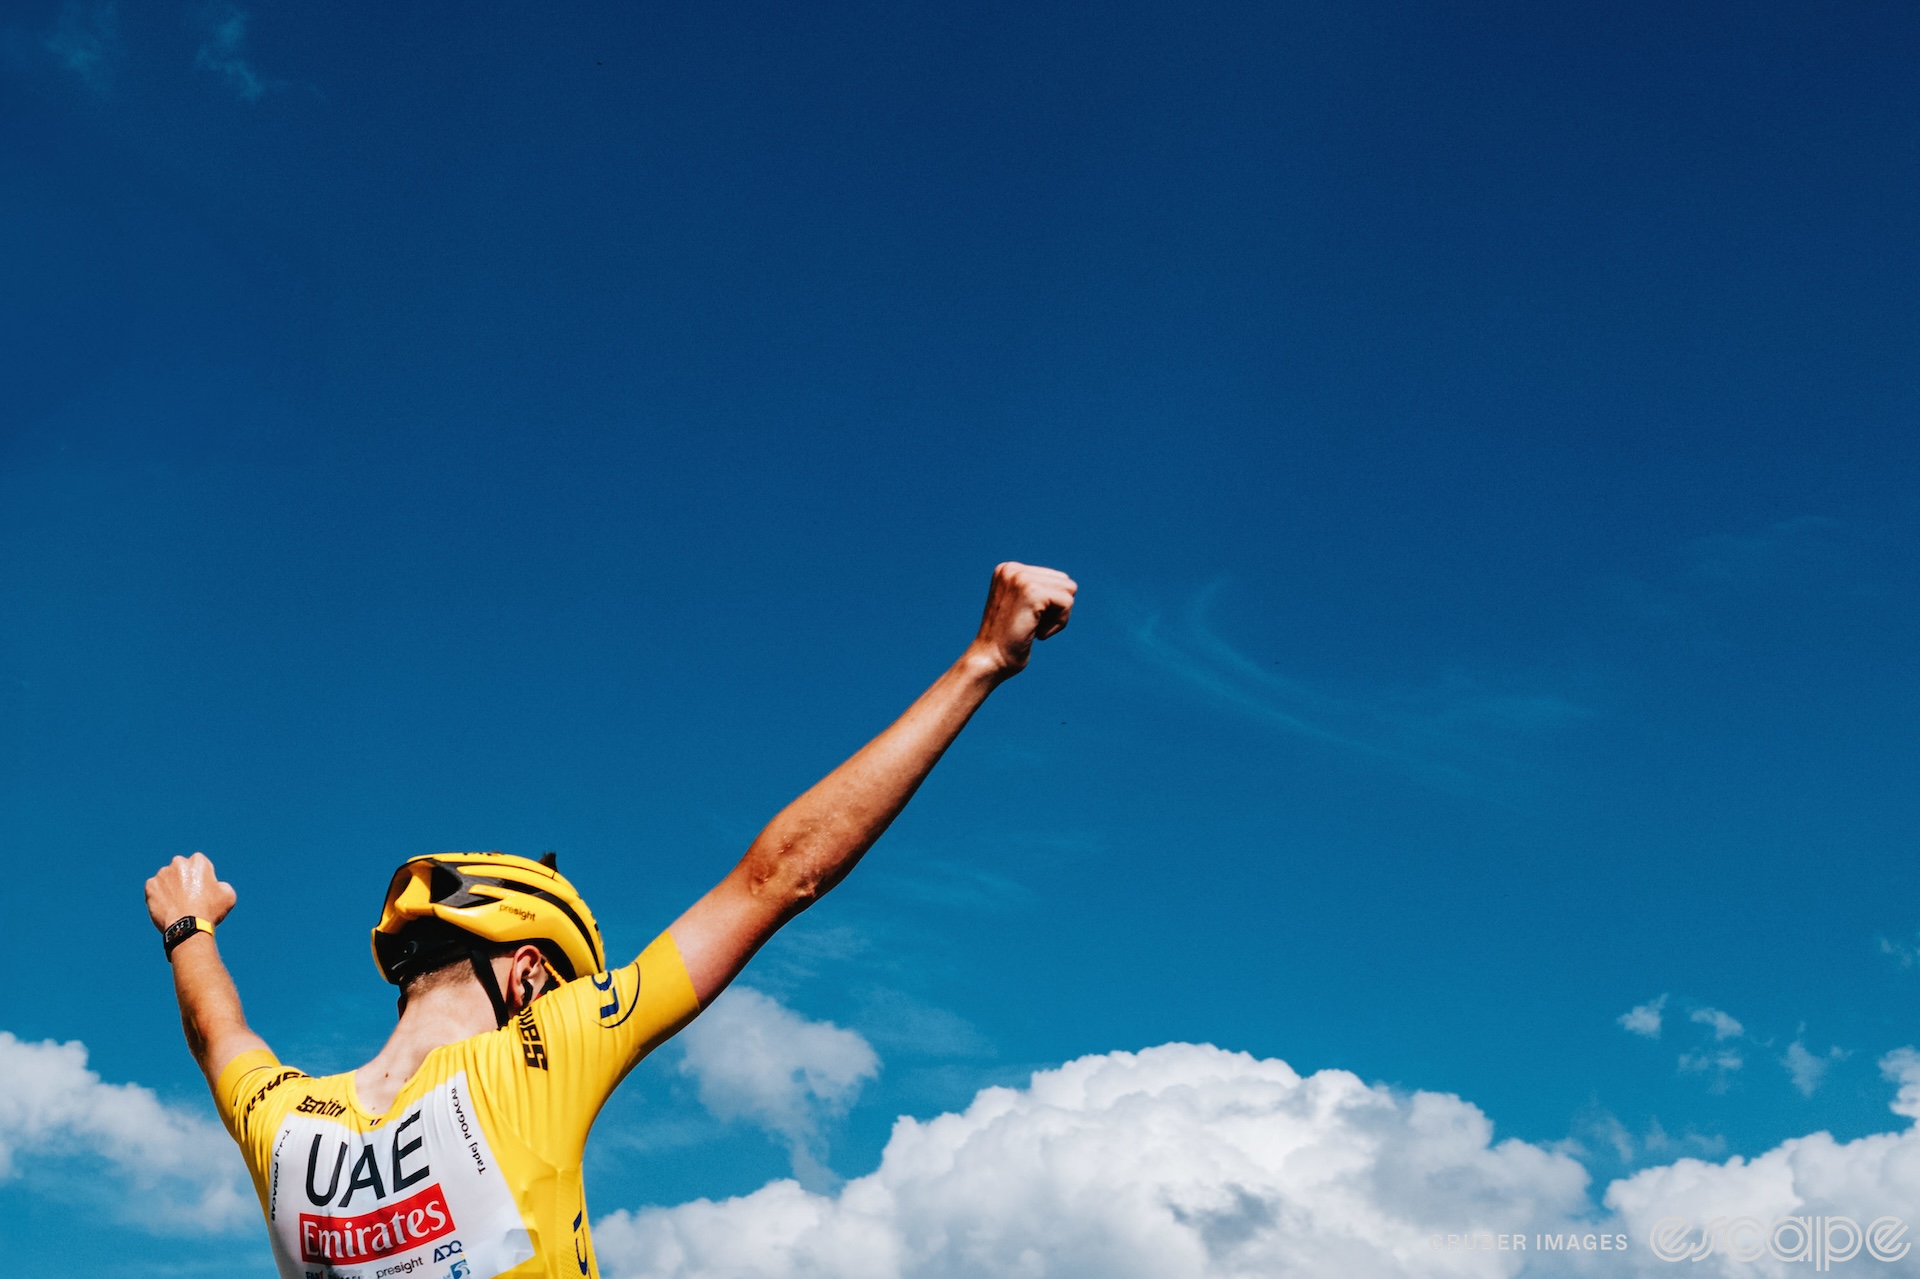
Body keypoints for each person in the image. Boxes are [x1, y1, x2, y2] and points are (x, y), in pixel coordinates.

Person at [144, 562, 1077, 1279]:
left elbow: (215, 1028)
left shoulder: (283, 1122)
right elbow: (779, 877)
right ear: (529, 977)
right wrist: (983, 662)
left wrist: (191, 924)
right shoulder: (543, 1044)